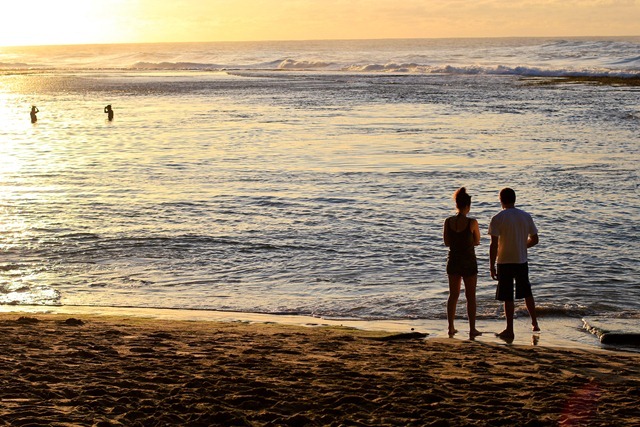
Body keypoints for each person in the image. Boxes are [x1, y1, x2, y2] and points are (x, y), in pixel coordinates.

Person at [488, 188, 540, 342]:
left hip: (504, 261)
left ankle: (509, 329)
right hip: (521, 259)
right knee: (527, 292)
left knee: (507, 296)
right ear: (514, 199)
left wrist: (491, 266)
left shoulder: (498, 217)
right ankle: (535, 323)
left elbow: (493, 245)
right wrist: (523, 246)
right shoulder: (525, 216)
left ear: (501, 200)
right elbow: (535, 239)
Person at [443, 187, 481, 338]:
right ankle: (472, 329)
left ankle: (451, 327)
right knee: (470, 297)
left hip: (453, 260)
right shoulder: (472, 222)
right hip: (468, 261)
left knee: (453, 295)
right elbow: (477, 241)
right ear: (467, 206)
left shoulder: (448, 221)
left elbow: (447, 242)